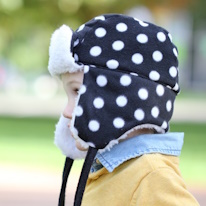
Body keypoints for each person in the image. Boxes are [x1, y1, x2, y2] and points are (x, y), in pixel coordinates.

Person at [48, 14, 199, 206]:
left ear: (120, 96)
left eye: (77, 91)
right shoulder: (112, 168)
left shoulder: (151, 177)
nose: (66, 112)